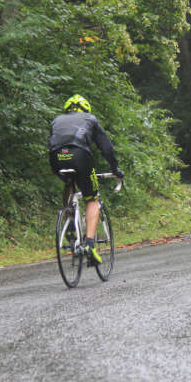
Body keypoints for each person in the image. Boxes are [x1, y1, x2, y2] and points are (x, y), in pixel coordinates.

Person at [48, 95, 124, 265]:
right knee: (92, 199)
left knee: (70, 182)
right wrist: (115, 169)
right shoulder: (90, 118)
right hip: (79, 156)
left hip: (55, 158)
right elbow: (106, 147)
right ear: (86, 109)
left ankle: (69, 221)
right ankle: (89, 244)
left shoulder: (56, 119)